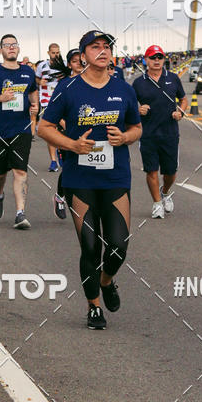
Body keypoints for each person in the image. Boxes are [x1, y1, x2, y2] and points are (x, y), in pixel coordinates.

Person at [38, 31, 142, 329]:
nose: (102, 51)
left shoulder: (124, 90)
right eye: (95, 47)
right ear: (83, 55)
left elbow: (137, 128)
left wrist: (124, 137)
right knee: (89, 247)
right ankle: (93, 306)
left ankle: (107, 280)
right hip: (79, 178)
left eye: (106, 46)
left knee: (118, 247)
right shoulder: (68, 88)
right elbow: (43, 128)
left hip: (115, 178)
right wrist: (71, 146)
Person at [0, 34, 38, 229]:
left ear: (18, 49)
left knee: (20, 170)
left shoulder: (28, 72)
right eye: (6, 45)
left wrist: (36, 107)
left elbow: (32, 92)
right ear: (1, 50)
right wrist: (0, 98)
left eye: (14, 45)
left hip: (21, 129)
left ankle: (20, 213)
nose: (11, 48)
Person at [132, 44, 187, 219]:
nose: (156, 61)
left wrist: (181, 112)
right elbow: (130, 105)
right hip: (147, 133)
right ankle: (157, 203)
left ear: (164, 60)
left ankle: (165, 191)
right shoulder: (139, 82)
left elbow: (184, 99)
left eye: (159, 57)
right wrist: (138, 110)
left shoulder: (172, 78)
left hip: (169, 133)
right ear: (146, 60)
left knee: (170, 172)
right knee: (152, 171)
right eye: (152, 57)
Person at [52, 48, 85, 220]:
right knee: (71, 167)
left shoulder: (93, 80)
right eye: (74, 61)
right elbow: (54, 113)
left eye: (81, 60)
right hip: (68, 133)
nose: (78, 63)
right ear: (69, 64)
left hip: (89, 131)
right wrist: (66, 125)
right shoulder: (64, 85)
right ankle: (60, 197)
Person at [36, 43, 68, 171]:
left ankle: (64, 153)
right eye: (53, 52)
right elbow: (36, 79)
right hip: (46, 100)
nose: (56, 55)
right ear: (48, 53)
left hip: (62, 99)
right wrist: (40, 82)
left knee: (64, 129)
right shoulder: (42, 65)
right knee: (51, 130)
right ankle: (53, 161)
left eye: (58, 52)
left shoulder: (65, 64)